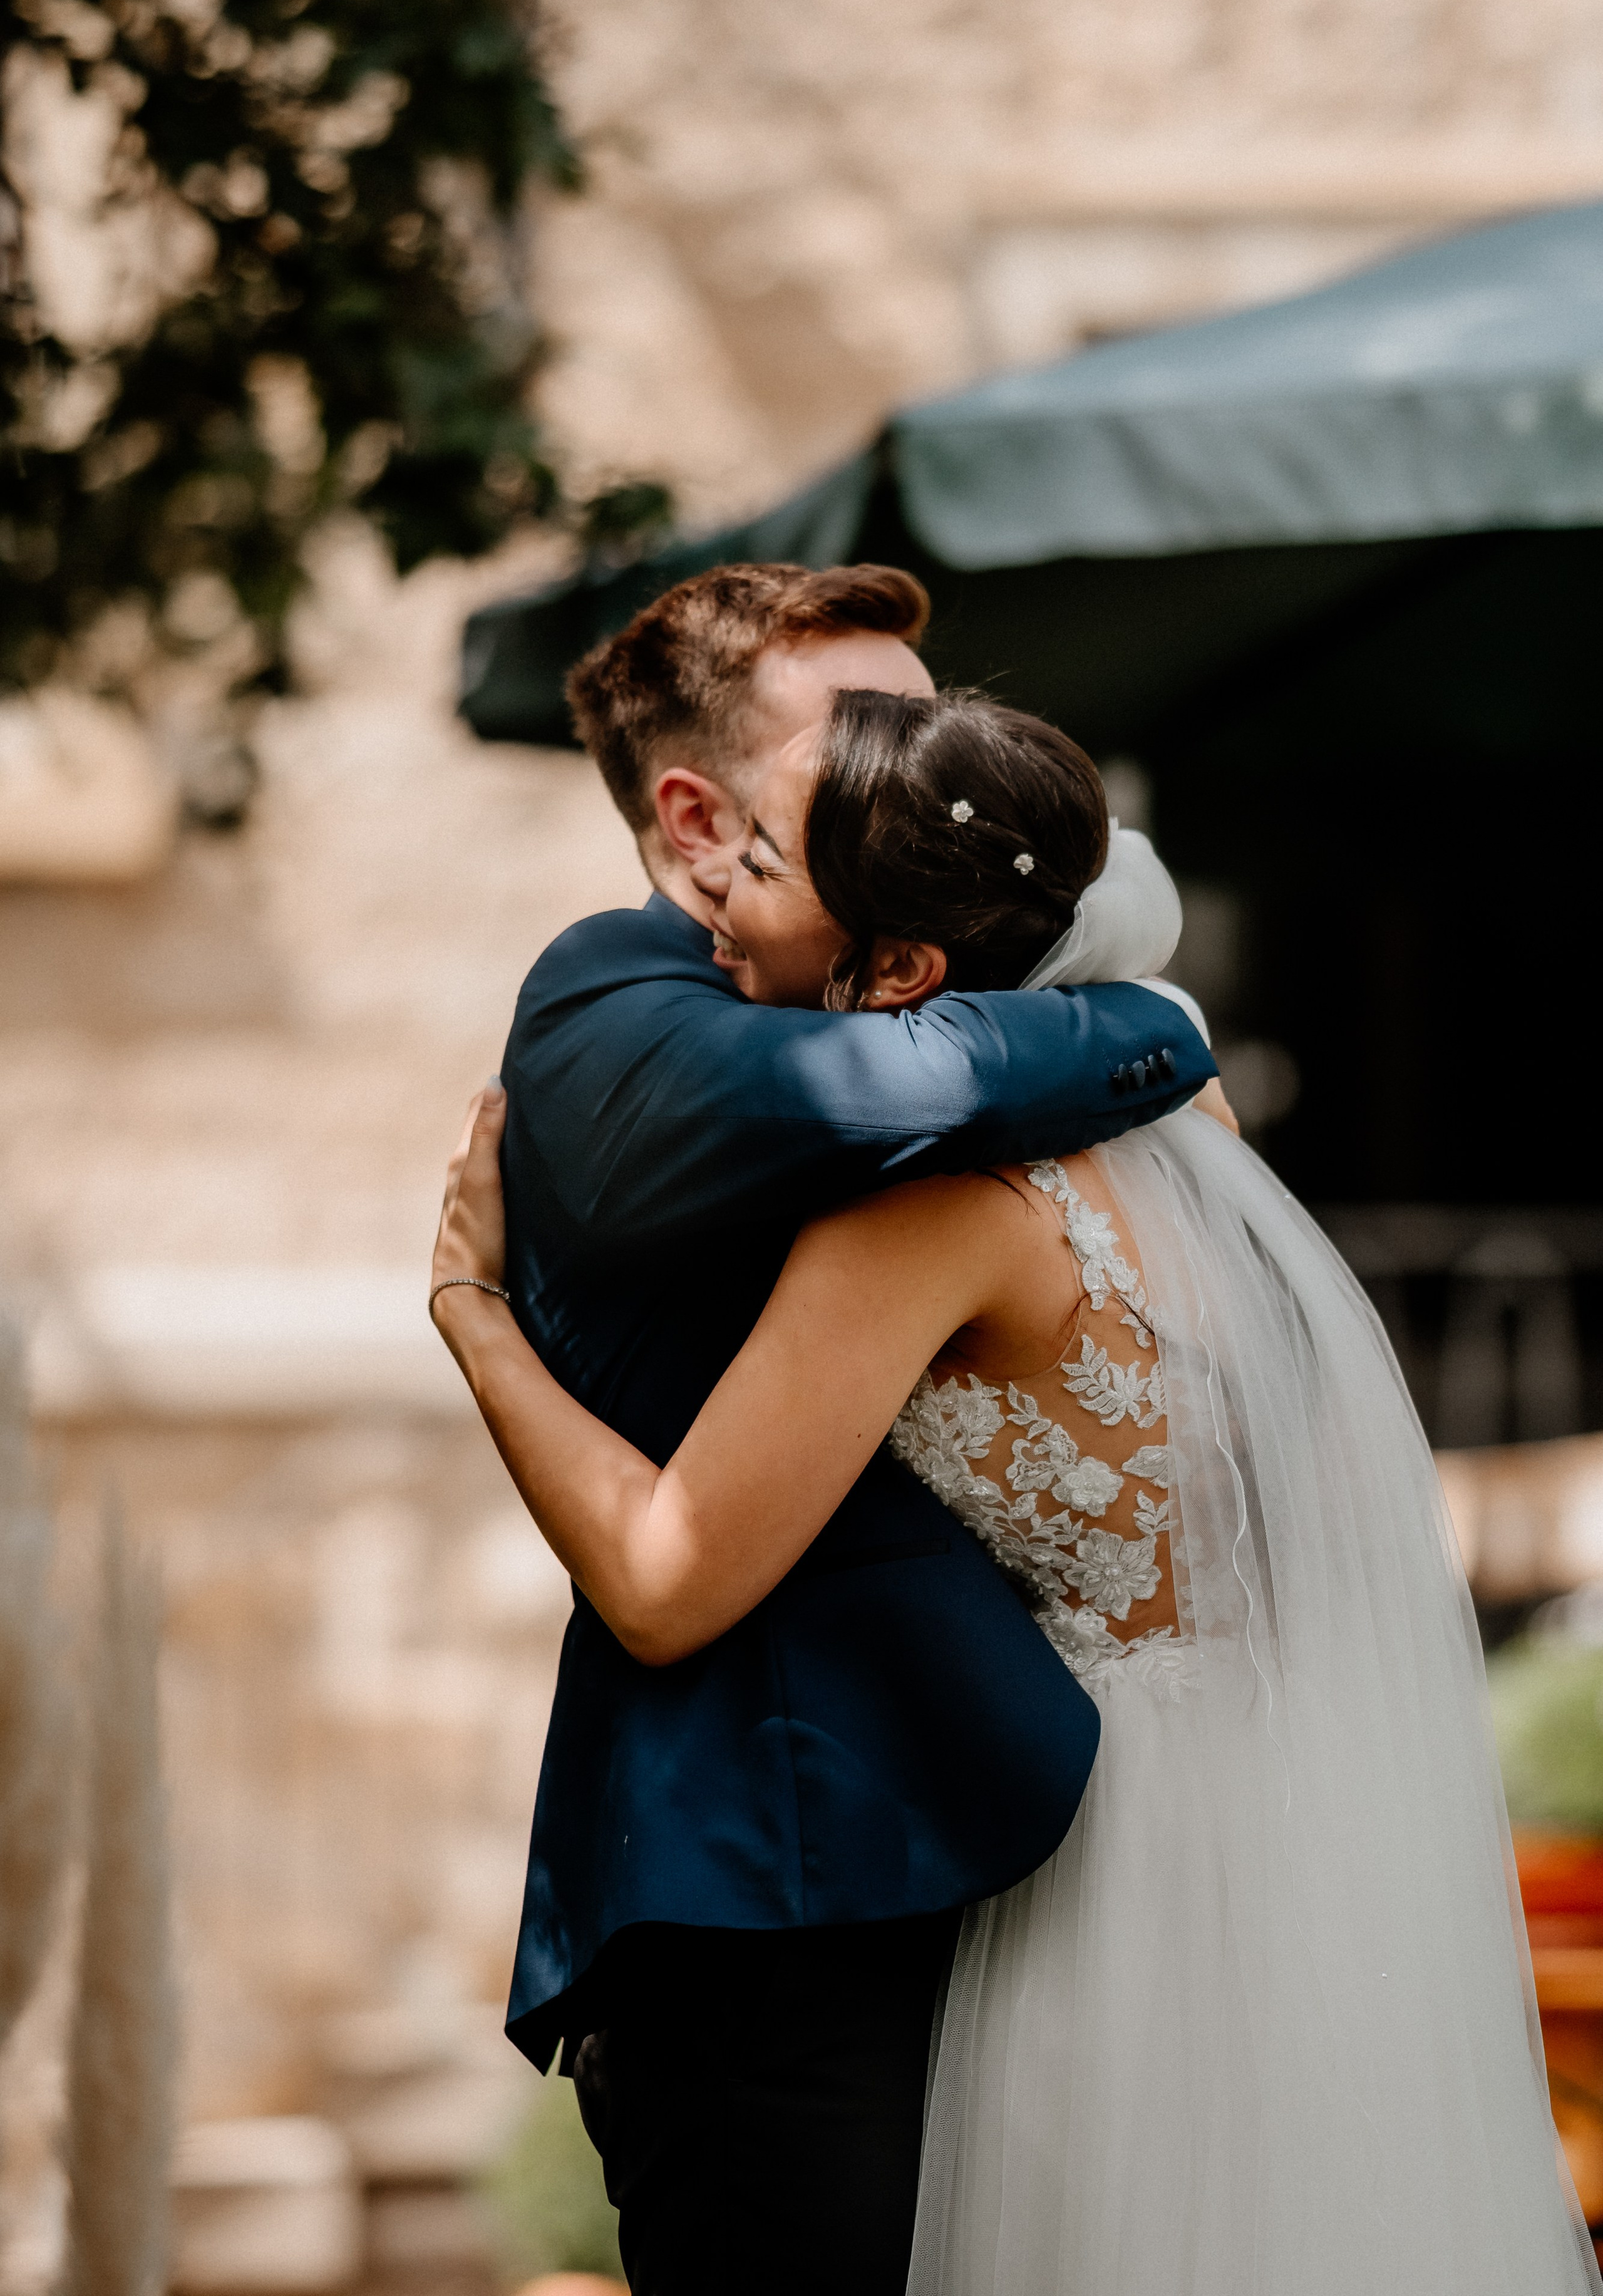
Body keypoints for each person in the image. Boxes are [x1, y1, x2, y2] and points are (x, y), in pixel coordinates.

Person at [435, 685, 1600, 2296]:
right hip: (1285, 1813)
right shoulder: (1194, 1145)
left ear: (903, 971)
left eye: (761, 870)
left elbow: (663, 1579)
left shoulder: (924, 1218)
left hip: (1103, 1856)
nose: (713, 900)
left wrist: (474, 1319)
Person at [453, 561, 1220, 2296]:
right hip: (764, 1878)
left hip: (964, 1851)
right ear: (695, 810)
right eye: (867, 730)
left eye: (928, 720)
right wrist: (1147, 1018)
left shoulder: (888, 1005)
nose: (918, 758)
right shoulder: (615, 999)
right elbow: (918, 1077)